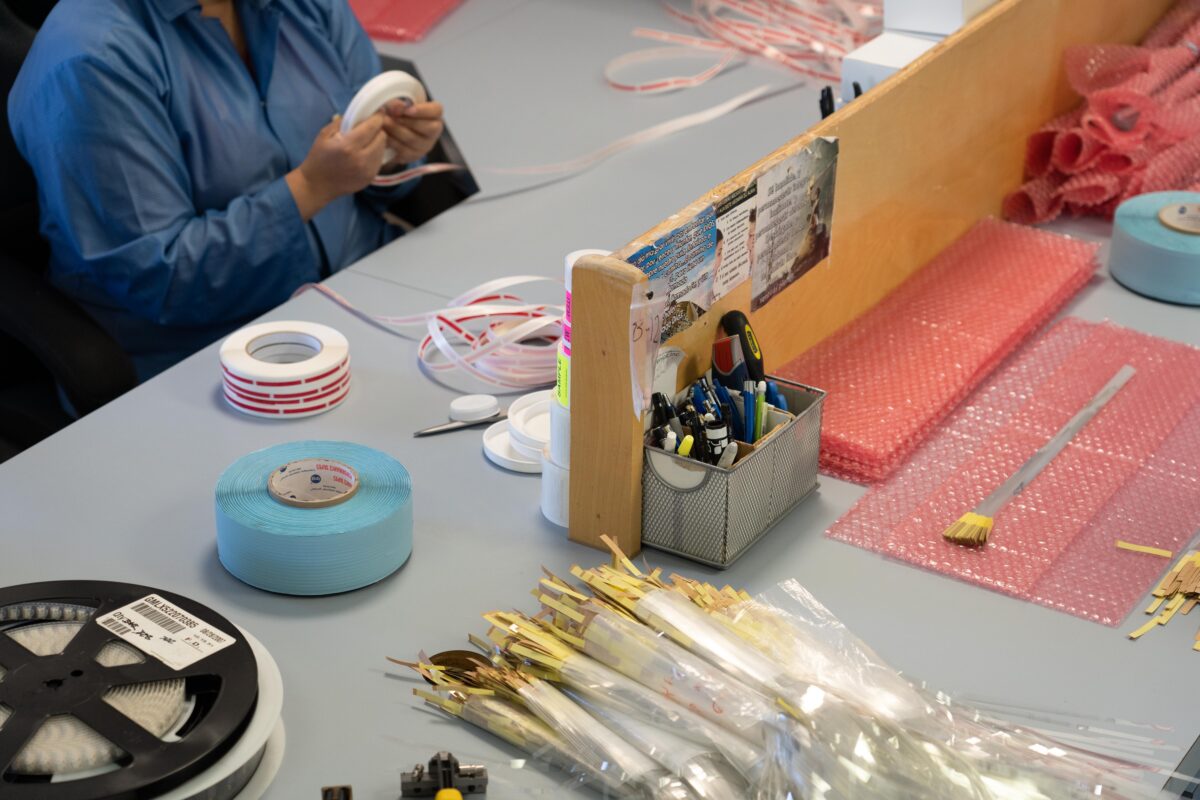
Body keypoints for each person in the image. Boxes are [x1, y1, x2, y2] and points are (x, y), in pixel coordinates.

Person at [8, 0, 445, 379]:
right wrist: (311, 187)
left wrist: (394, 153)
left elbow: (377, 174)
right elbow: (163, 280)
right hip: (218, 357)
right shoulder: (92, 59)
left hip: (367, 292)